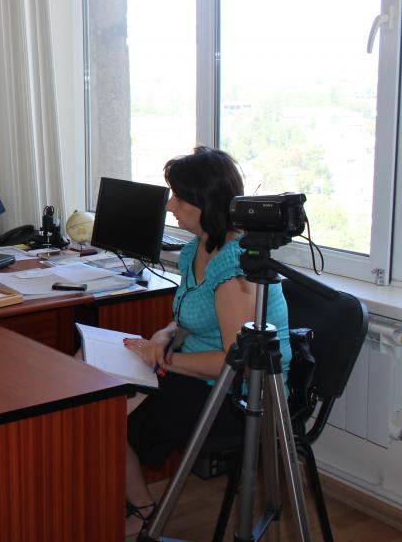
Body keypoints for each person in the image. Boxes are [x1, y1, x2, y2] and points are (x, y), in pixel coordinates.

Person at [122, 146, 292, 536]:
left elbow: (238, 361)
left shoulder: (236, 267)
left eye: (179, 198)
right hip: (195, 372)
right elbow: (190, 315)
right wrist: (164, 335)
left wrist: (162, 360)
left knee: (105, 408)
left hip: (236, 395)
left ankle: (142, 511)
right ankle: (141, 507)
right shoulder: (195, 250)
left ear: (206, 202)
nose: (170, 206)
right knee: (99, 385)